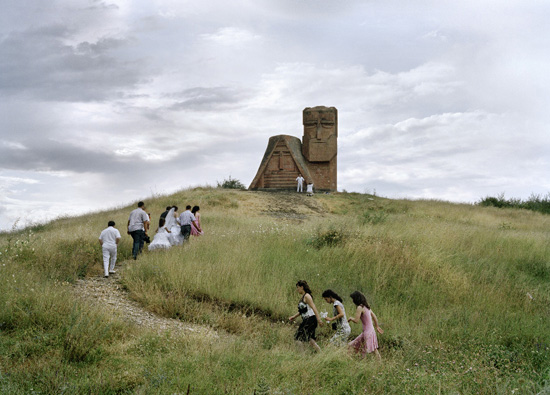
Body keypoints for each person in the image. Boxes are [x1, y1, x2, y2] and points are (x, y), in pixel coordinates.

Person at [289, 280, 323, 352]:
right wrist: (294, 317)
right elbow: (302, 311)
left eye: (298, 287)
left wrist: (319, 320)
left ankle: (302, 356)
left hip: (310, 319)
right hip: (308, 319)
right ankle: (321, 353)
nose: (297, 289)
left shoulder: (307, 296)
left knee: (298, 338)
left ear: (302, 287)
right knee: (309, 339)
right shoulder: (303, 297)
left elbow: (313, 307)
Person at [348, 291, 383, 359]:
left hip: (367, 332)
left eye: (353, 299)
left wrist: (350, 318)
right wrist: (377, 326)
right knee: (353, 345)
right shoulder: (367, 307)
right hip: (370, 331)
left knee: (370, 350)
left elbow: (356, 320)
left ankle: (378, 364)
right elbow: (375, 317)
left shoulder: (360, 307)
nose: (352, 301)